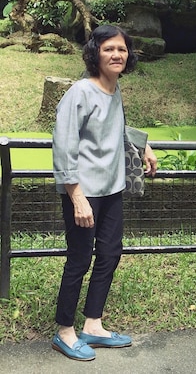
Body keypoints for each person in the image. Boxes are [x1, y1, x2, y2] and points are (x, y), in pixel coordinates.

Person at [51, 24, 157, 361]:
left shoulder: (114, 90)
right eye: (109, 48)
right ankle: (64, 331)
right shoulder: (80, 92)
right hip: (84, 191)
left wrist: (146, 146)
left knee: (110, 254)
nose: (117, 54)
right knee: (80, 259)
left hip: (112, 189)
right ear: (95, 53)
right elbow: (64, 143)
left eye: (122, 49)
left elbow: (116, 126)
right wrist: (76, 196)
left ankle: (93, 325)